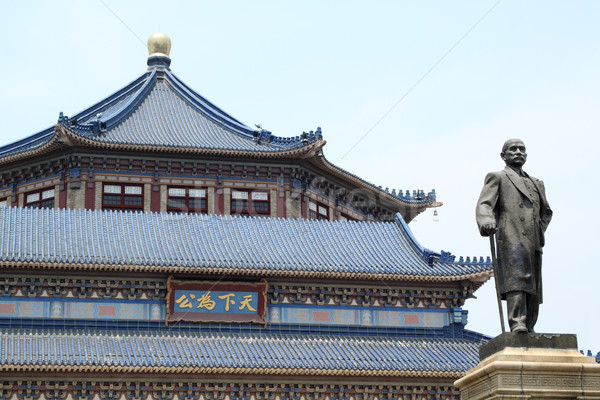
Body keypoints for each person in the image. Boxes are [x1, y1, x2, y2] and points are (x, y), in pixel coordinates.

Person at [476, 139, 552, 333]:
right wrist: (487, 221)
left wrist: (539, 229)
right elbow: (485, 204)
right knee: (517, 280)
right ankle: (517, 322)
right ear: (504, 156)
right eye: (513, 149)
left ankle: (531, 325)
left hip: (534, 240)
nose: (518, 152)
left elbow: (547, 212)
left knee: (534, 284)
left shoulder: (536, 183)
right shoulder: (498, 177)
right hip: (512, 236)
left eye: (522, 149)